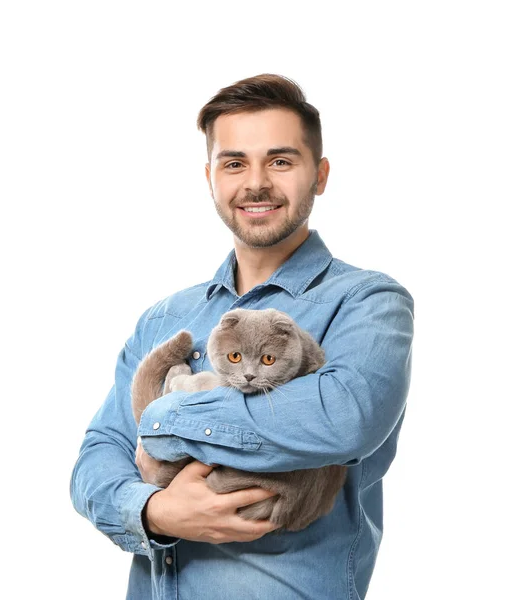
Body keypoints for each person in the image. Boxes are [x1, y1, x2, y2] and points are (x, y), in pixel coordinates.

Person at [70, 73, 415, 600]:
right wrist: (156, 512)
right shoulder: (165, 318)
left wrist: (163, 419)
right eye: (234, 163)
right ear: (210, 177)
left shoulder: (368, 302)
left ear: (319, 175)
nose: (256, 183)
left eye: (280, 160)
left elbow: (344, 416)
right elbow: (98, 456)